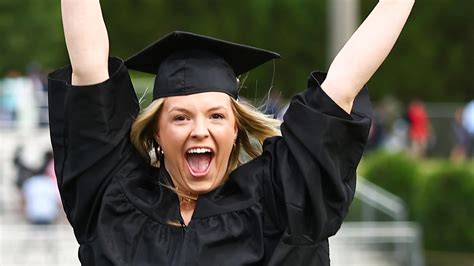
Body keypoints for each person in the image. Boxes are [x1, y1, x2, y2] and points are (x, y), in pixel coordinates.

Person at [48, 0, 414, 265]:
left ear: (236, 128)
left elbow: (345, 82)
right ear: (156, 132)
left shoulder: (278, 200)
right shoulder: (115, 198)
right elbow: (89, 66)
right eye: (180, 118)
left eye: (216, 116)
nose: (199, 130)